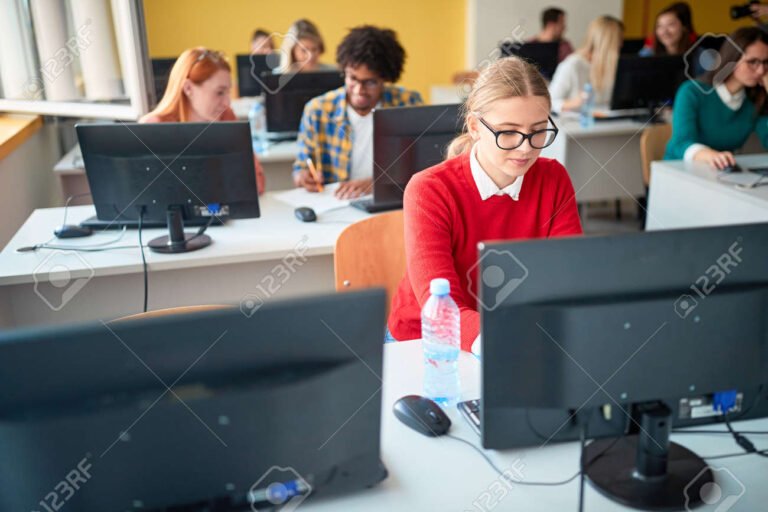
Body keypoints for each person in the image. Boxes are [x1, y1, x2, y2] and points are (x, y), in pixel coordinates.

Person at [387, 57, 583, 352]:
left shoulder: (553, 177)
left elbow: (566, 276)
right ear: (475, 126)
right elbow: (441, 306)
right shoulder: (429, 189)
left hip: (516, 335)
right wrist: (506, 342)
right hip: (424, 342)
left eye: (538, 130)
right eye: (508, 132)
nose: (526, 147)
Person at [293, 25, 423, 199]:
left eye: (370, 82)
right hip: (337, 204)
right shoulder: (317, 111)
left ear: (385, 79)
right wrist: (302, 176)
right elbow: (301, 165)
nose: (359, 90)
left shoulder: (409, 104)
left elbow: (426, 166)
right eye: (352, 79)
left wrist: (377, 182)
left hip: (391, 201)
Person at [140, 47, 265, 194]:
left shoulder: (226, 117)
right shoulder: (153, 127)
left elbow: (258, 182)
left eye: (228, 92)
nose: (227, 102)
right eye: (219, 92)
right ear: (188, 88)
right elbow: (149, 193)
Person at [664, 27, 768, 169]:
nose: (761, 70)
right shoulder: (692, 92)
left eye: (766, 62)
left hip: (721, 174)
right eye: (752, 62)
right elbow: (681, 143)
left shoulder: (756, 99)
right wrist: (711, 156)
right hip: (678, 171)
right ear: (732, 60)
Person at [548, 15, 624, 112]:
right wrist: (574, 103)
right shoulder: (572, 65)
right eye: (619, 40)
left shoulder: (612, 66)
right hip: (575, 124)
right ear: (607, 42)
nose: (621, 45)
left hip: (603, 123)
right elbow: (549, 102)